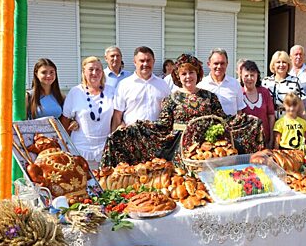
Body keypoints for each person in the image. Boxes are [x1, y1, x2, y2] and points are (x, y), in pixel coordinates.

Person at [100, 54, 264, 168]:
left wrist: (248, 122)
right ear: (178, 76)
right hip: (180, 152)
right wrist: (135, 129)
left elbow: (224, 121)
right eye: (183, 73)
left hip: (207, 150)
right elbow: (162, 127)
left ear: (197, 74)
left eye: (191, 72)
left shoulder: (209, 96)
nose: (187, 77)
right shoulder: (171, 99)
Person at [61, 57, 114, 169]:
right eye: (90, 69)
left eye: (98, 69)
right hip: (80, 149)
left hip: (105, 149)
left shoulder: (111, 91)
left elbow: (118, 116)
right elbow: (65, 120)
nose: (94, 73)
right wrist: (63, 146)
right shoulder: (75, 92)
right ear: (84, 72)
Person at [111, 46, 170, 131]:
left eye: (148, 60)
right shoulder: (124, 85)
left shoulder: (163, 84)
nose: (145, 64)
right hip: (131, 137)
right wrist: (113, 137)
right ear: (135, 62)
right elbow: (117, 115)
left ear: (153, 61)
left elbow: (169, 112)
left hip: (157, 137)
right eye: (142, 61)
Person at [197, 48, 246, 116]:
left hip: (231, 125)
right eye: (216, 63)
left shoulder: (235, 84)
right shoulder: (201, 85)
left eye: (222, 63)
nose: (219, 66)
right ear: (209, 64)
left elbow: (239, 110)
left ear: (227, 64)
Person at [240, 60, 275, 148]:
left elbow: (271, 115)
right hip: (245, 142)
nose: (249, 78)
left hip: (265, 140)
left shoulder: (264, 92)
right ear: (241, 76)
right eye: (246, 75)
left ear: (257, 76)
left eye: (252, 75)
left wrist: (271, 139)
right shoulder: (238, 93)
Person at [262, 51, 306, 120]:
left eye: (284, 62)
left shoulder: (295, 81)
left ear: (288, 65)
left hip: (289, 122)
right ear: (273, 65)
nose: (281, 65)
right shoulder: (266, 82)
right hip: (269, 120)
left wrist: (304, 127)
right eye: (278, 62)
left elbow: (301, 108)